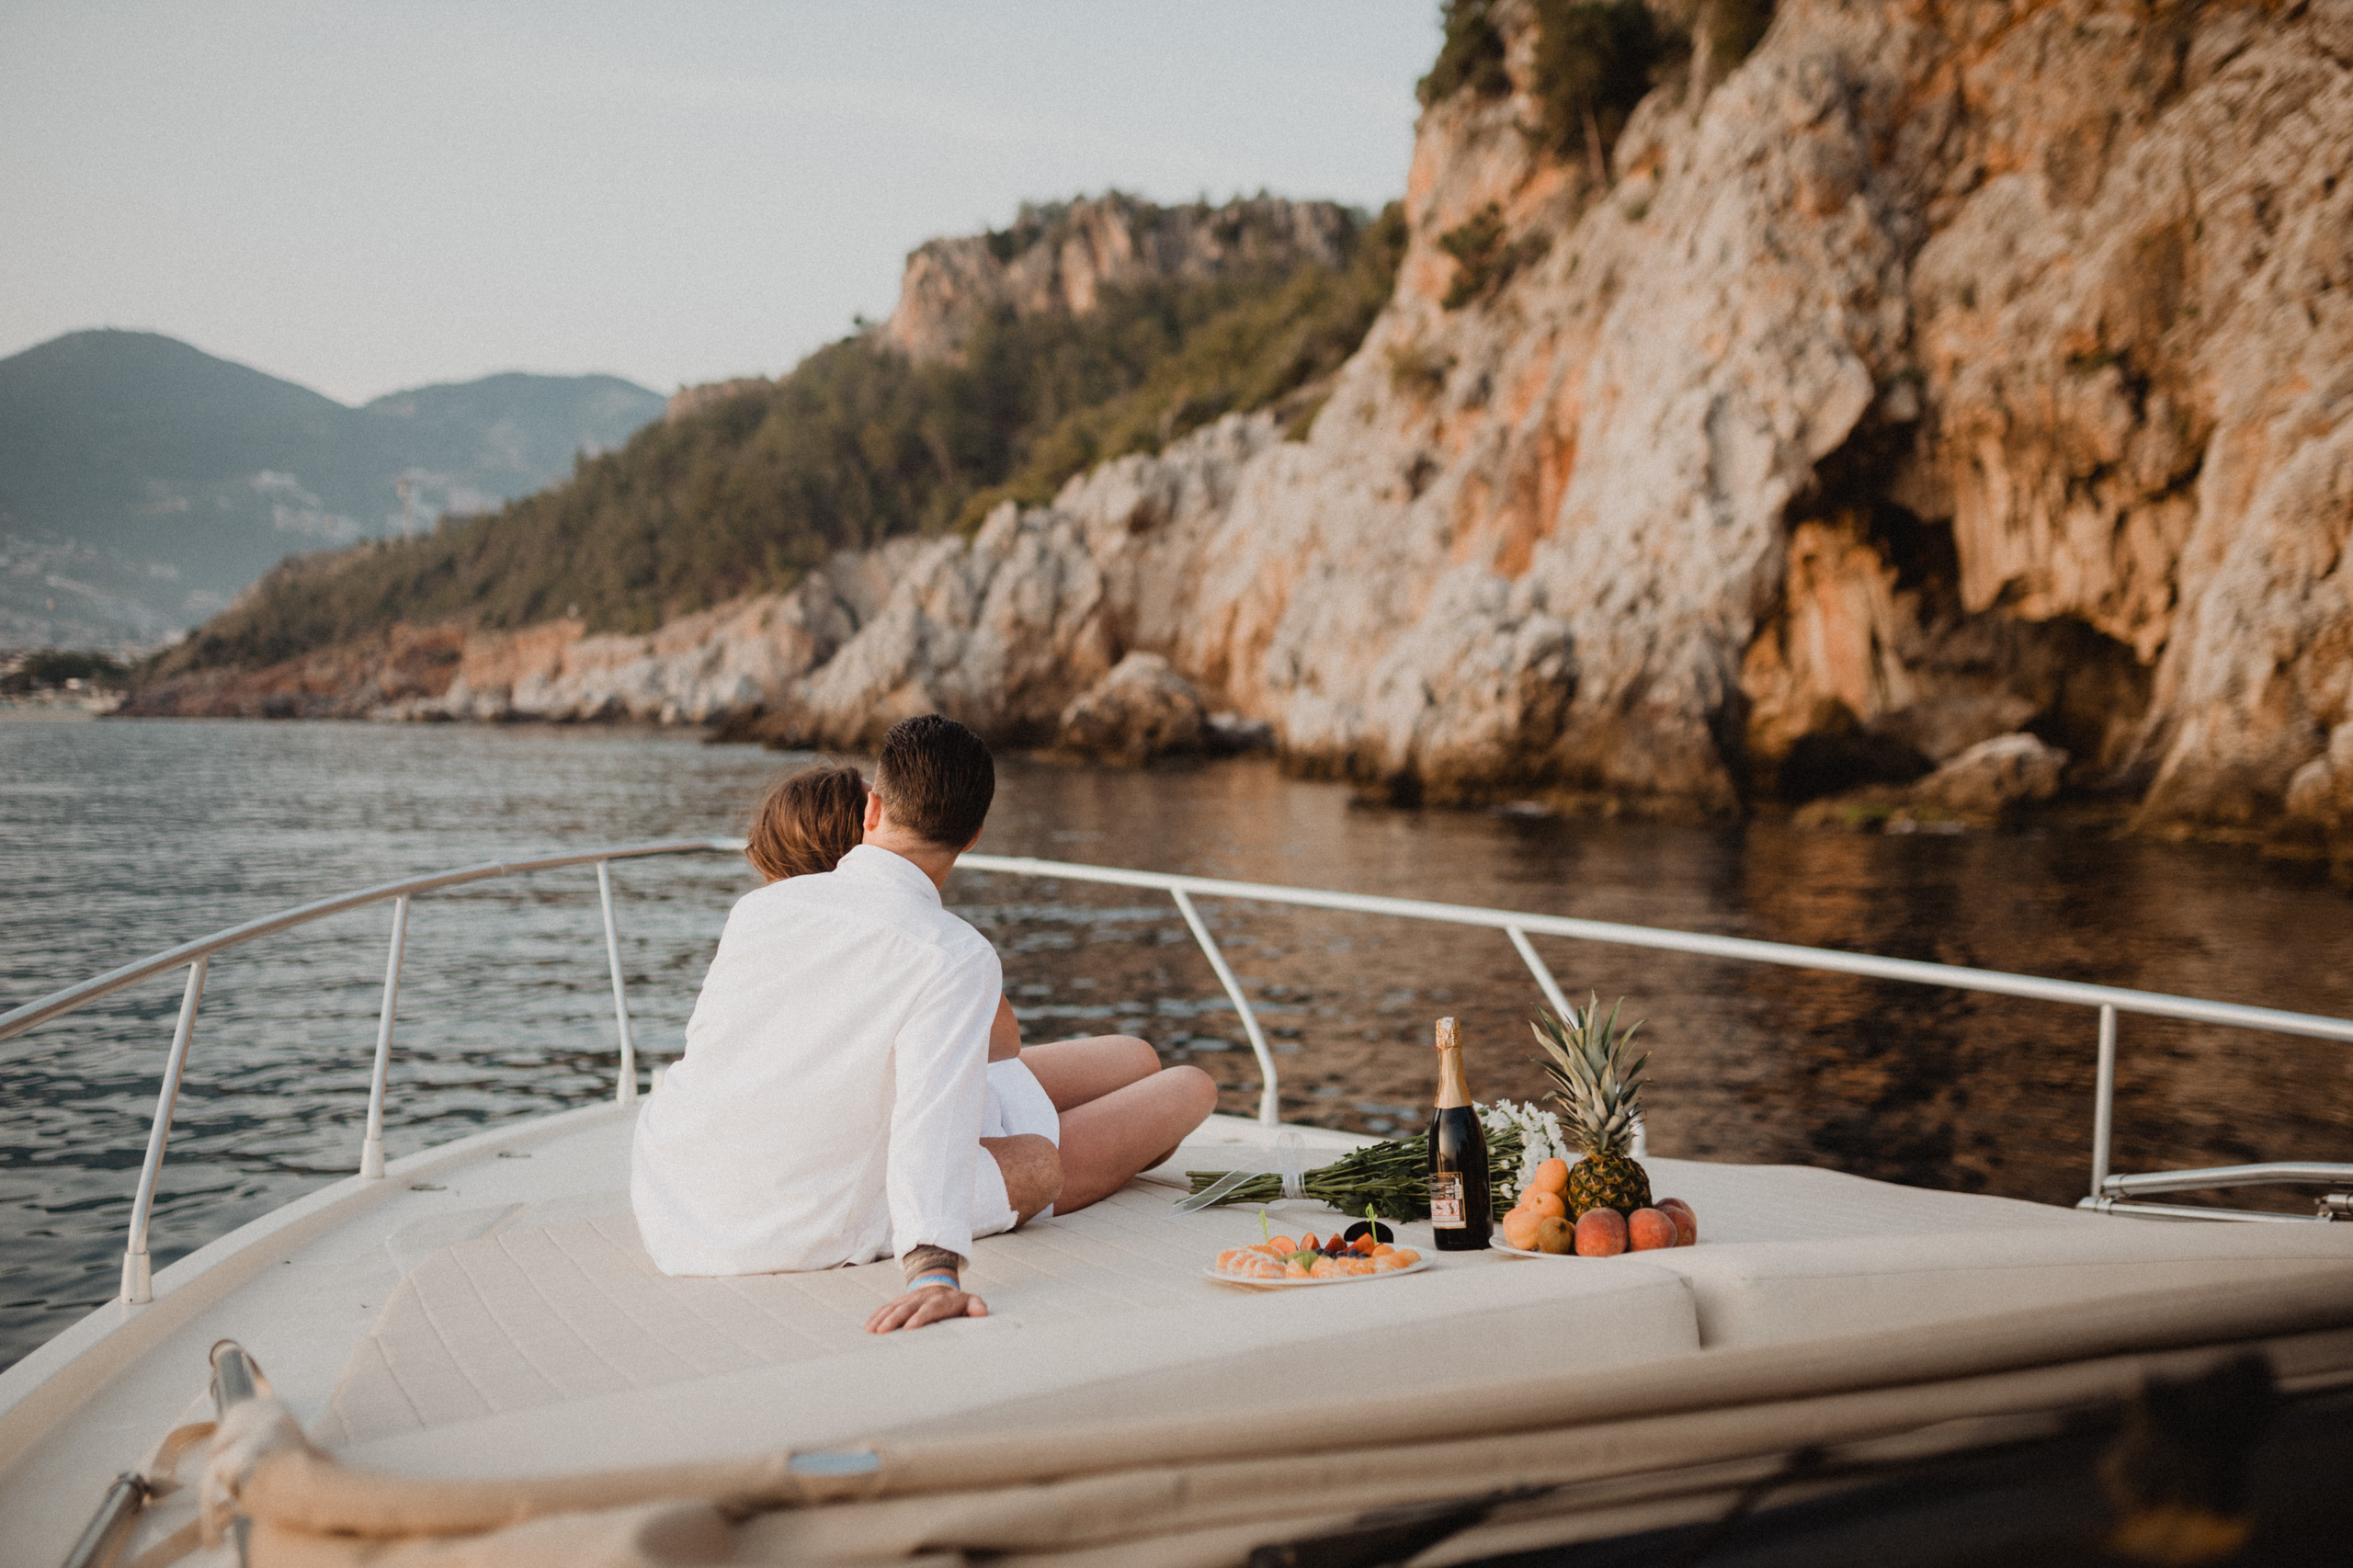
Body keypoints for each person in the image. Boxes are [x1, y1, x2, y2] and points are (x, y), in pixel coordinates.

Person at [631, 717, 1215, 1335]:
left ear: (872, 808)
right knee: (1140, 1112)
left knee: (1137, 1060)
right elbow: (929, 1121)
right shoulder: (951, 952)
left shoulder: (761, 908)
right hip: (792, 1215)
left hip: (678, 1195)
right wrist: (933, 1269)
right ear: (975, 835)